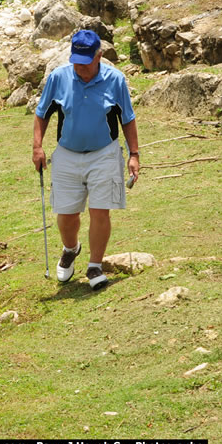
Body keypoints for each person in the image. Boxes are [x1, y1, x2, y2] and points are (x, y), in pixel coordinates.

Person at [32, 30, 139, 290]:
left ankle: (95, 267)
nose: (80, 68)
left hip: (105, 153)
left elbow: (127, 118)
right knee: (66, 215)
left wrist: (134, 154)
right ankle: (71, 248)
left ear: (99, 56)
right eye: (76, 62)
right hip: (67, 154)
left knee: (100, 210)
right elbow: (42, 113)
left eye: (85, 63)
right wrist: (37, 146)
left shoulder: (115, 80)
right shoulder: (59, 78)